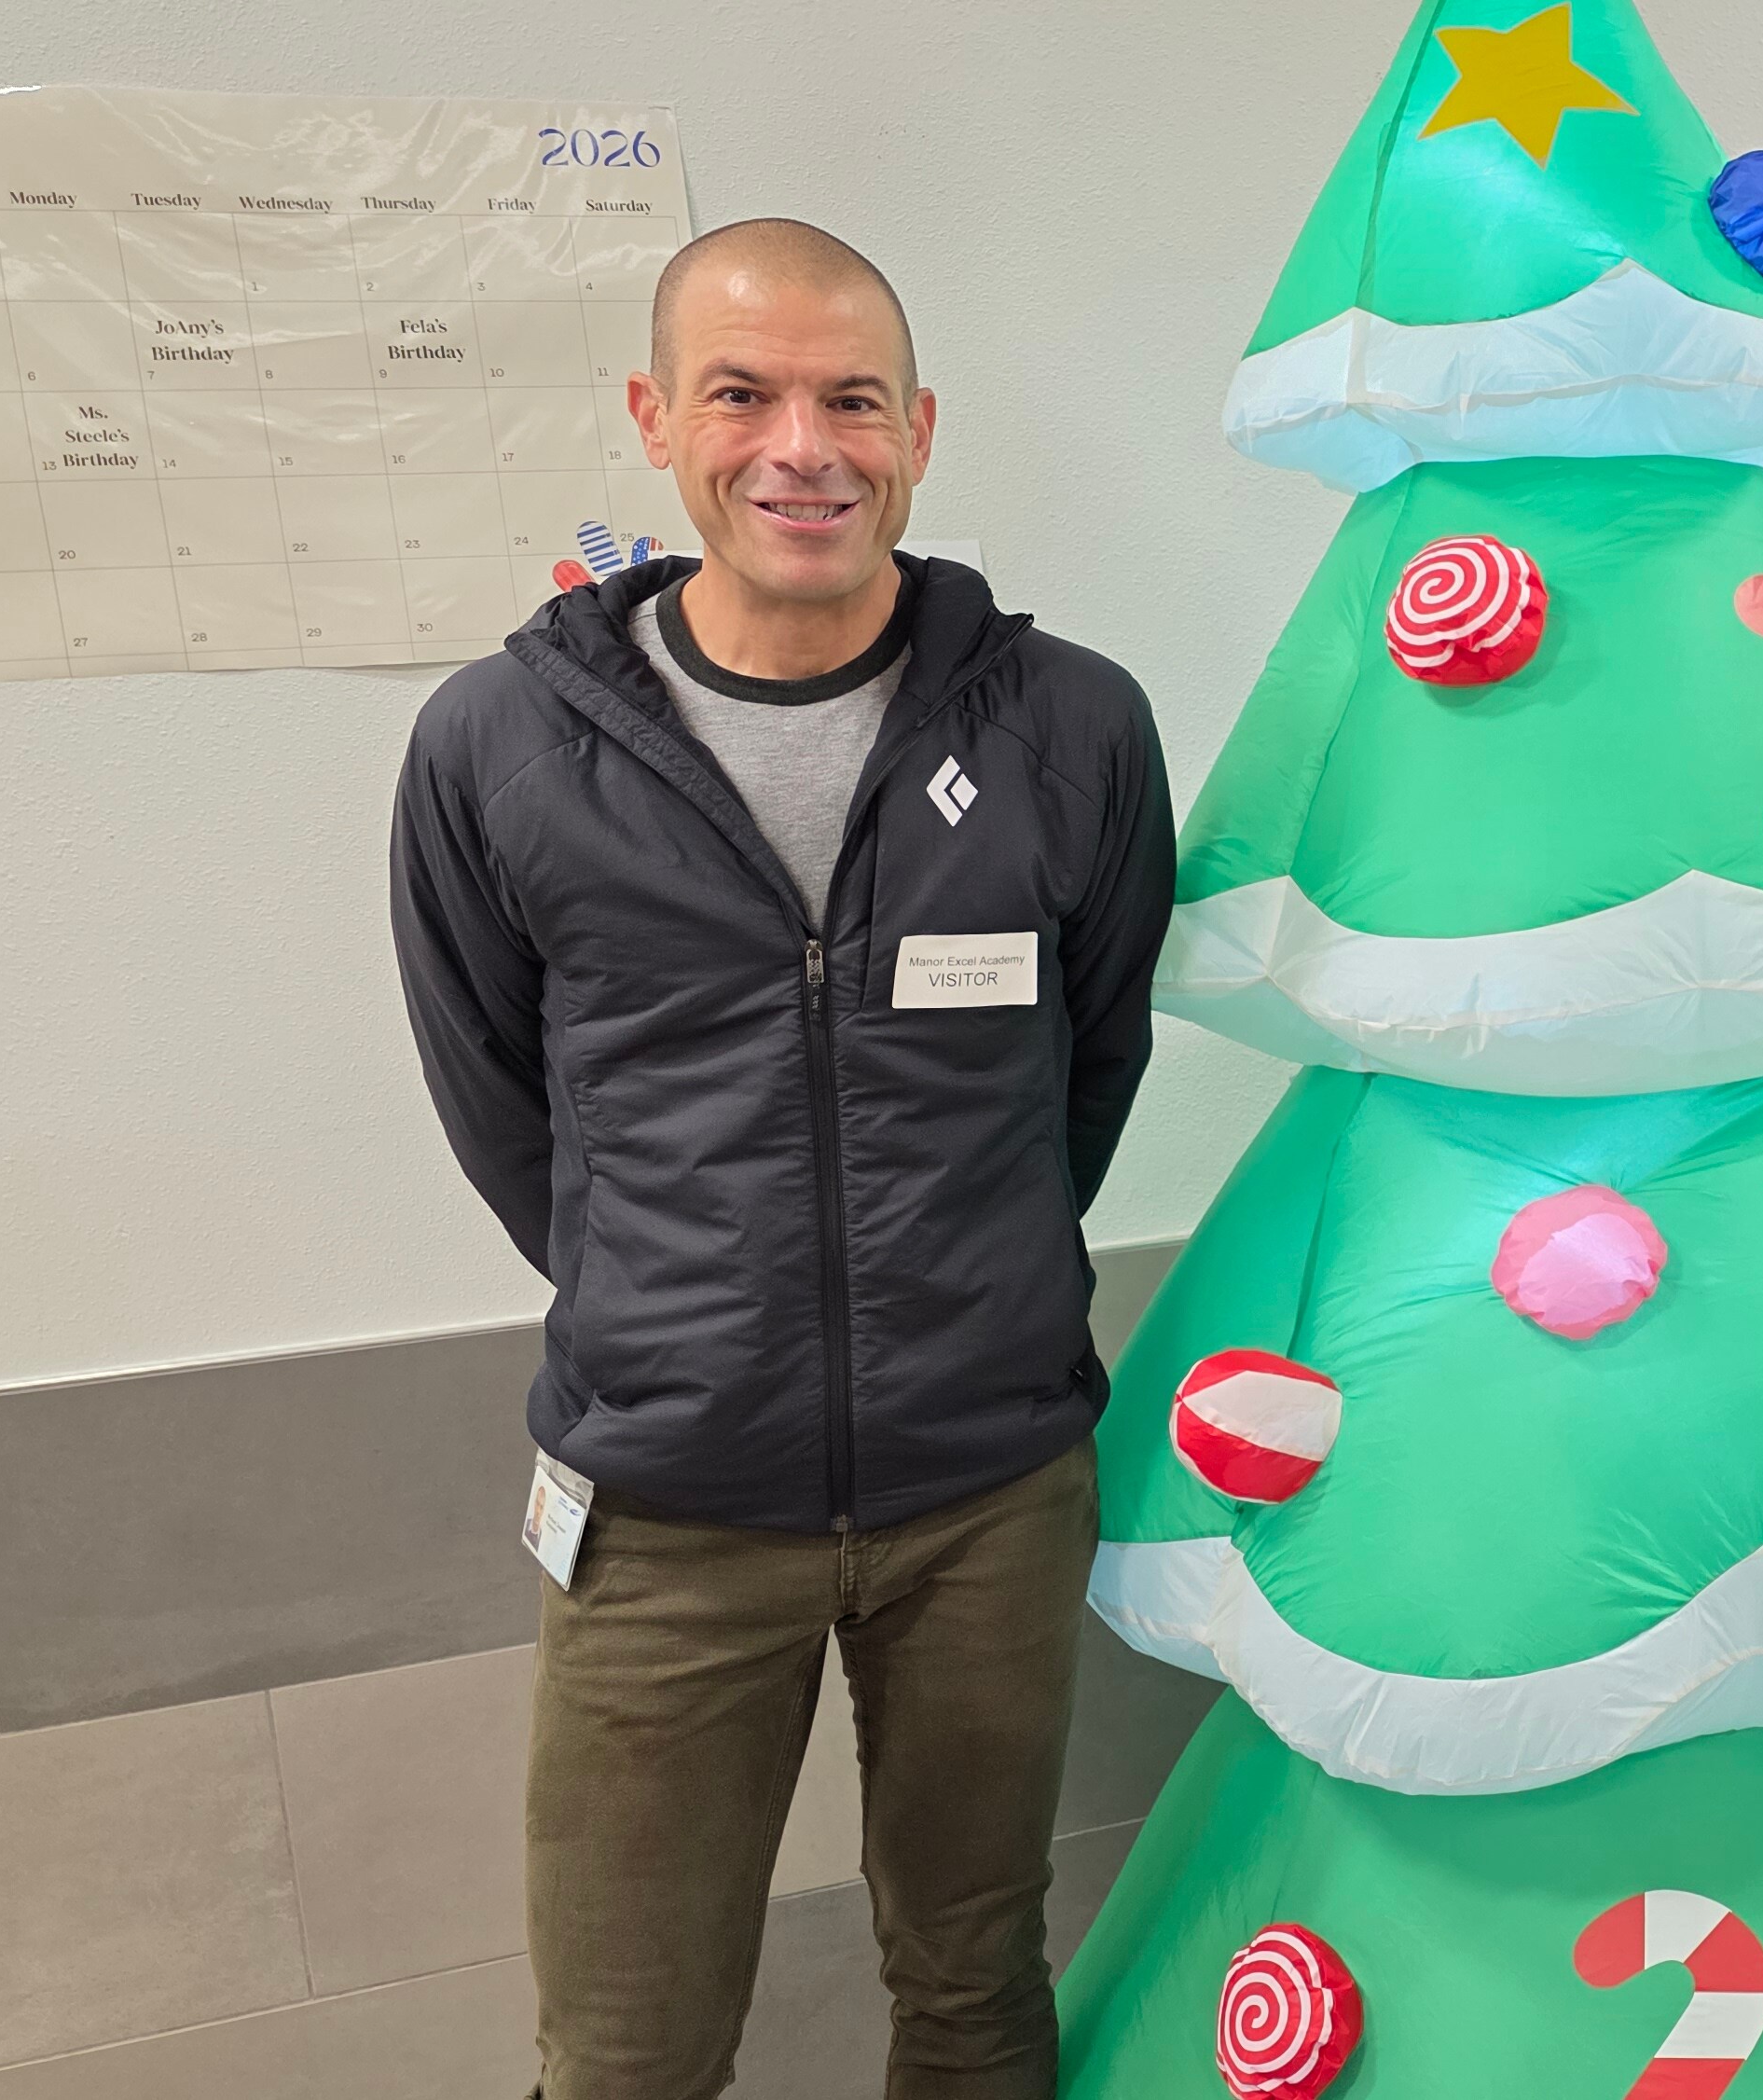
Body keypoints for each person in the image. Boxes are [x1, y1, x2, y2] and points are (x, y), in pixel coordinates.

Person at [392, 218, 1176, 2099]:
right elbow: (508, 1108)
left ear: (920, 429)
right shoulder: (501, 747)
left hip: (987, 1484)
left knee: (977, 1984)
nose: (798, 446)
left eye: (848, 399)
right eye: (741, 393)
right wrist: (678, 1307)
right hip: (665, 1503)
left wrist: (954, 1289)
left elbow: (1094, 1064)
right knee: (627, 2042)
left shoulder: (1071, 728)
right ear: (659, 418)